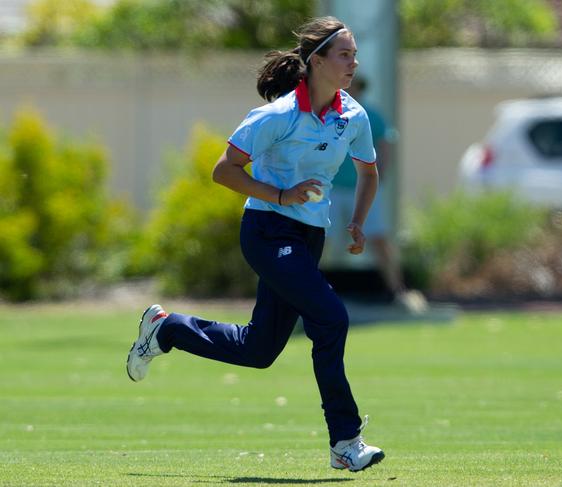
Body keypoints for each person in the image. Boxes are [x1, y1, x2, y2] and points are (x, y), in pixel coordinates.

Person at [126, 16, 384, 472]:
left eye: (354, 54)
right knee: (331, 317)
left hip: (308, 236)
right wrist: (281, 194)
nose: (353, 62)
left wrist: (359, 222)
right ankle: (345, 441)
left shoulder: (353, 115)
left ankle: (167, 329)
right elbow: (224, 171)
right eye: (344, 54)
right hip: (267, 231)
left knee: (258, 351)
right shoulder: (277, 115)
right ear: (317, 61)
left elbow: (369, 172)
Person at [329, 77, 428, 314]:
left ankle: (398, 291)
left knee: (378, 238)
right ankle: (304, 292)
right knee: (318, 240)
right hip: (331, 188)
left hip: (362, 189)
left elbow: (385, 147)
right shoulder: (329, 115)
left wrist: (377, 179)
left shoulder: (371, 116)